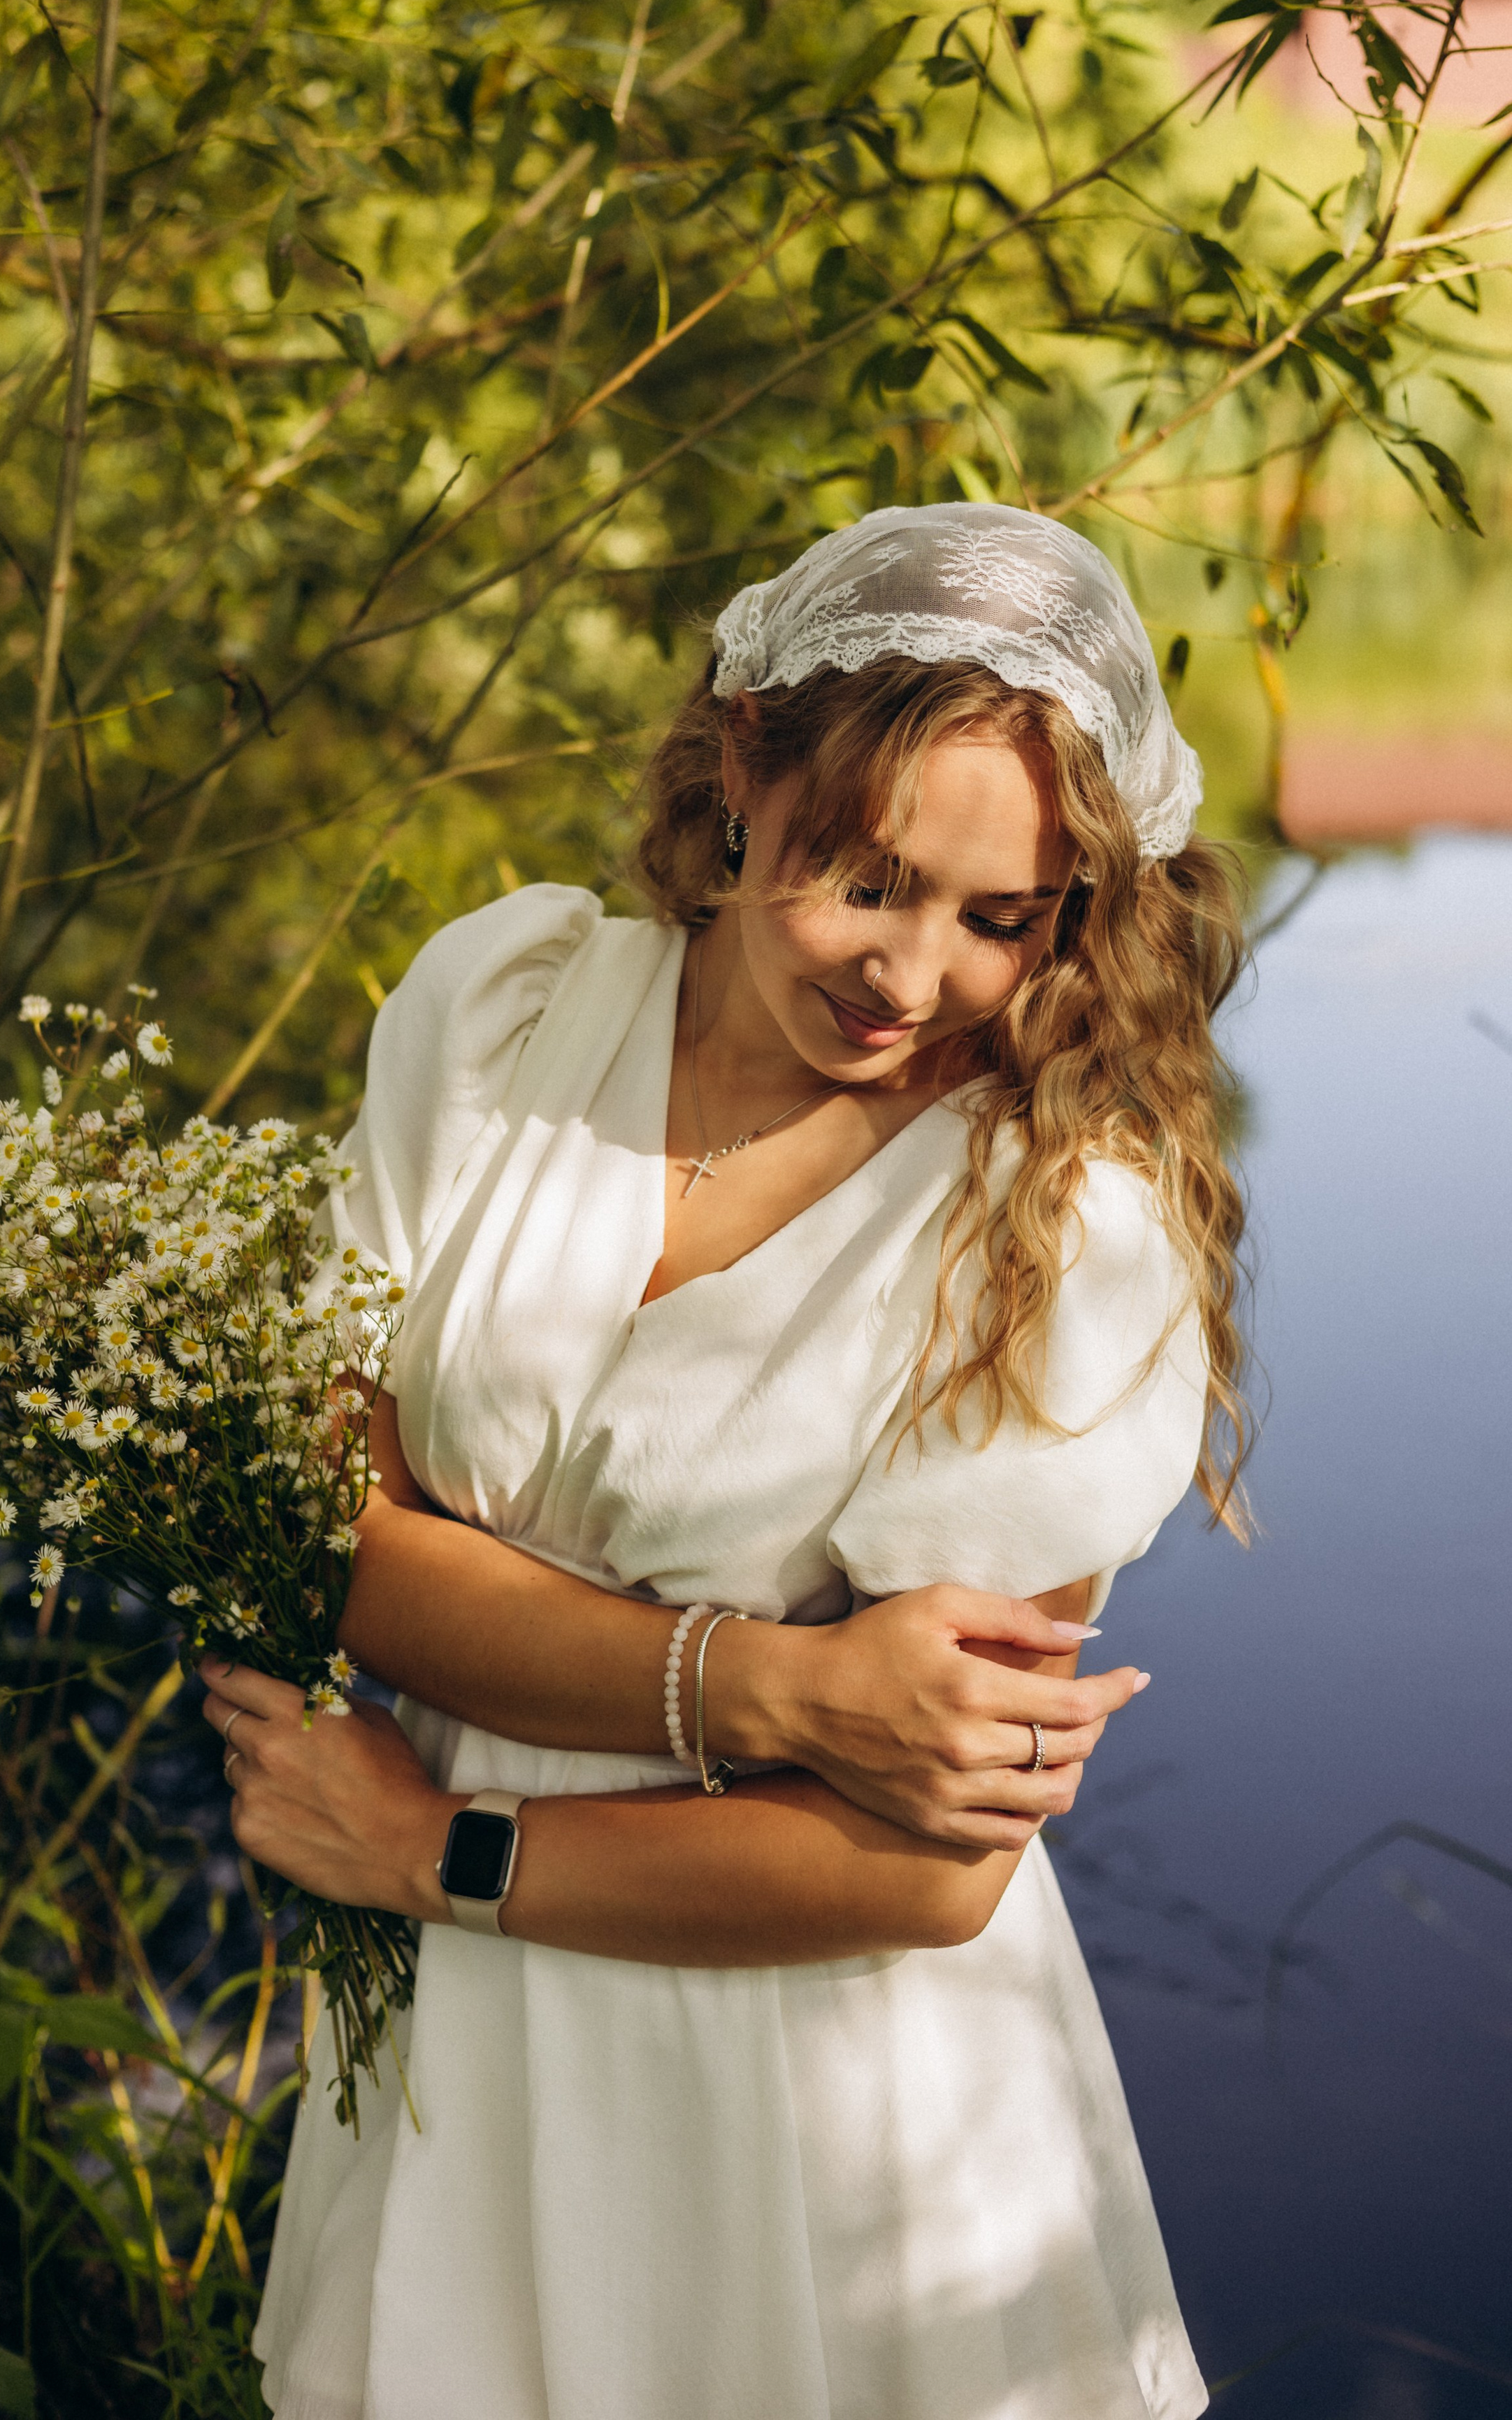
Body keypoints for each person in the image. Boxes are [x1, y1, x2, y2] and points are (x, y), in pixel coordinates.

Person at [201, 502, 1247, 2420]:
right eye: (867, 877)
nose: (910, 976)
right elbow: (325, 1543)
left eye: (999, 920)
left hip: (825, 2129)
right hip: (468, 2085)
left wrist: (441, 1846)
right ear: (746, 763)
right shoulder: (506, 1017)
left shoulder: (1057, 1240)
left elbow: (921, 1875)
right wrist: (781, 1683)